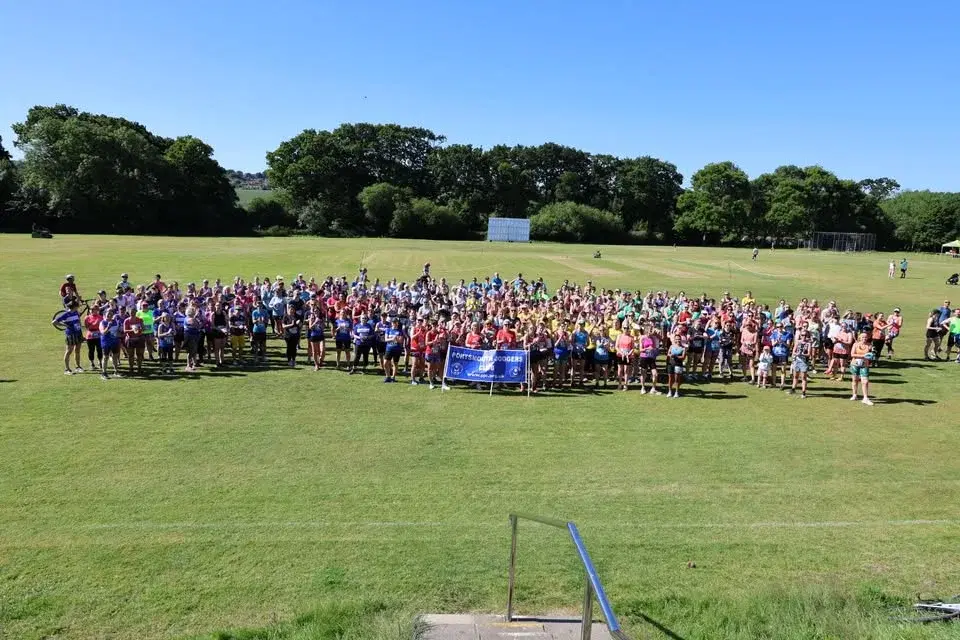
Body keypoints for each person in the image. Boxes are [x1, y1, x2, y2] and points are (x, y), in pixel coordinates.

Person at [54, 300, 85, 374]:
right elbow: (54, 322)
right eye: (77, 306)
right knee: (69, 351)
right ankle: (67, 369)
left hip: (78, 333)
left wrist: (80, 328)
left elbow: (78, 321)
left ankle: (78, 367)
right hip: (70, 334)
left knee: (77, 350)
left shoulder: (76, 312)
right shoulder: (66, 314)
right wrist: (65, 325)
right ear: (74, 306)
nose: (78, 307)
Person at [849, 333, 875, 405]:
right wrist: (864, 355)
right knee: (855, 380)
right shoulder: (855, 344)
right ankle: (854, 395)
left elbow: (872, 355)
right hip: (855, 364)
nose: (864, 338)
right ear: (860, 338)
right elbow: (852, 354)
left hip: (865, 365)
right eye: (863, 337)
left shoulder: (869, 345)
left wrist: (872, 355)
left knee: (865, 381)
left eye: (866, 337)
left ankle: (865, 398)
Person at [123, 307, 145, 375]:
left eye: (134, 312)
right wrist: (132, 330)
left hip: (139, 338)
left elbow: (143, 328)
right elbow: (125, 331)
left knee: (139, 355)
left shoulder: (140, 320)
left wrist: (140, 329)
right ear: (129, 313)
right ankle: (131, 369)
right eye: (131, 312)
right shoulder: (126, 320)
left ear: (136, 312)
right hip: (130, 339)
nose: (132, 313)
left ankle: (139, 368)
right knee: (131, 355)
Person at [83, 304, 103, 372]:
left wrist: (94, 326)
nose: (92, 311)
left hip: (98, 335)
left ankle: (100, 362)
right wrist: (93, 325)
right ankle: (92, 363)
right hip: (90, 336)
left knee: (99, 349)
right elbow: (86, 326)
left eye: (94, 309)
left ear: (97, 310)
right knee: (91, 350)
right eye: (91, 309)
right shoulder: (87, 317)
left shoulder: (100, 317)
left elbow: (102, 326)